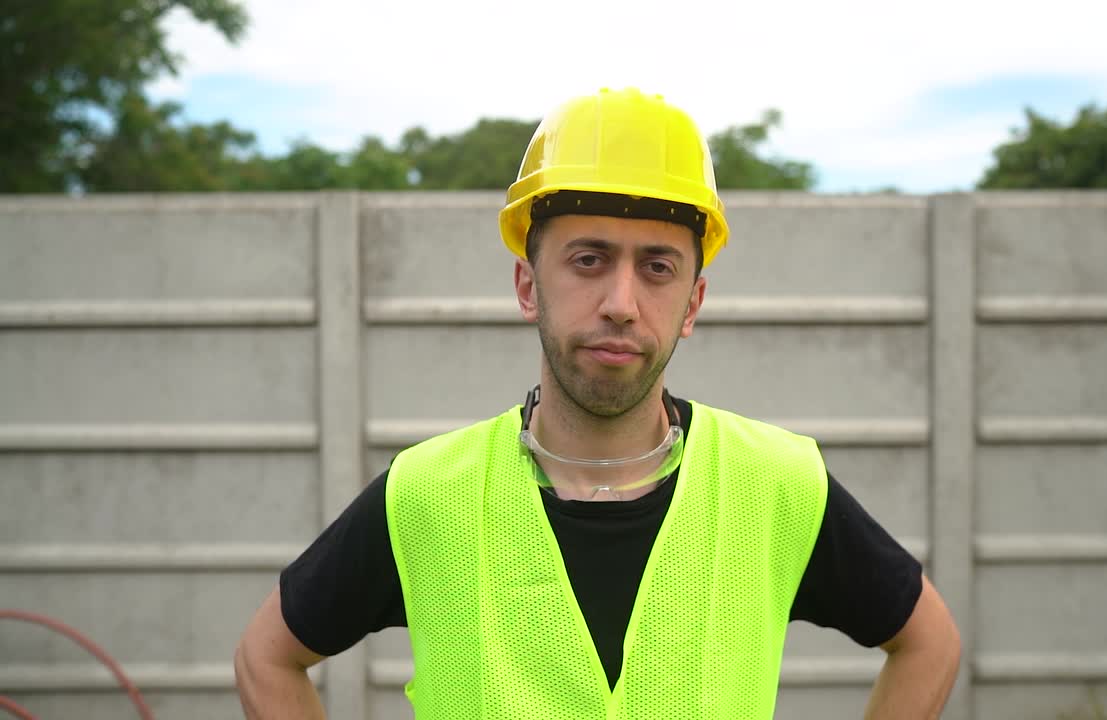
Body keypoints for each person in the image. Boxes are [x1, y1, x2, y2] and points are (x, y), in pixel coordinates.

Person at [233, 87, 961, 719]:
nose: (621, 303)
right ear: (528, 285)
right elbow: (266, 658)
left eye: (657, 267)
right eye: (589, 259)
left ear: (692, 302)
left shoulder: (777, 482)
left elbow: (930, 642)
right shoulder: (426, 493)